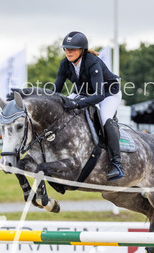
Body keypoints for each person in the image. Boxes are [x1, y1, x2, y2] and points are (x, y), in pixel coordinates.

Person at [54, 31, 124, 180]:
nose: (68, 52)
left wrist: (76, 104)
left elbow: (99, 95)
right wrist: (29, 95)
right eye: (66, 49)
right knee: (60, 108)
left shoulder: (92, 62)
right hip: (83, 93)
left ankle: (117, 163)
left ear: (82, 50)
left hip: (108, 94)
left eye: (72, 49)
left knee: (105, 119)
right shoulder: (65, 64)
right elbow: (55, 92)